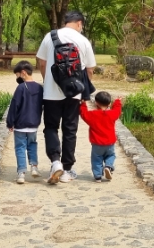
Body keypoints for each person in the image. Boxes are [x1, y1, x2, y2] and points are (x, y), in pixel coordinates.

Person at [35, 10, 96, 184]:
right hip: (74, 94)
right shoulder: (83, 41)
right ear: (79, 23)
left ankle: (55, 162)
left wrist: (48, 81)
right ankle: (67, 169)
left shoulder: (50, 36)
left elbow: (42, 62)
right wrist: (83, 88)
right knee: (70, 129)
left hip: (51, 93)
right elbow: (90, 69)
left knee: (51, 127)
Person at [6, 60, 43, 183]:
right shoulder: (40, 88)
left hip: (20, 125)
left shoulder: (21, 88)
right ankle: (34, 167)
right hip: (33, 124)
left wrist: (10, 122)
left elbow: (14, 106)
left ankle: (21, 173)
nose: (17, 78)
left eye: (17, 75)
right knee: (32, 145)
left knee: (20, 148)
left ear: (23, 73)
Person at [79, 91, 122, 182]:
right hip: (110, 142)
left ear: (96, 103)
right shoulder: (112, 114)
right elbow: (117, 110)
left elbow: (83, 114)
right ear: (109, 104)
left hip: (97, 143)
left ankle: (98, 176)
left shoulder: (92, 115)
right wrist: (117, 101)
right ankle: (108, 166)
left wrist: (83, 104)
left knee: (96, 159)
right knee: (111, 155)